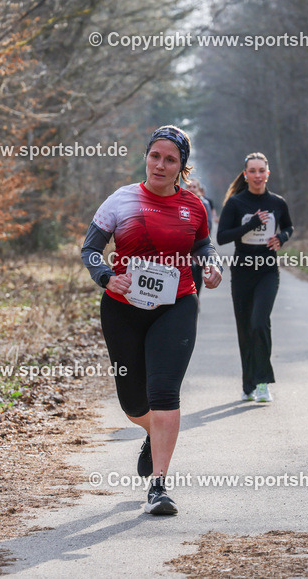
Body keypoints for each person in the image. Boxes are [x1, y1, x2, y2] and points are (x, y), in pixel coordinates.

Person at [81, 125, 222, 515]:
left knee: (164, 392)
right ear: (146, 156)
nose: (160, 165)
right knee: (132, 401)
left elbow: (202, 245)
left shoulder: (194, 207)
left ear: (182, 167)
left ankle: (159, 486)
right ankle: (149, 431)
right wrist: (109, 277)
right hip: (122, 308)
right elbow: (91, 249)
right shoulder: (121, 200)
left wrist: (210, 266)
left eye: (170, 160)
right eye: (155, 156)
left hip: (176, 305)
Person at [216, 153, 293, 403]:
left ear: (267, 174)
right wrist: (251, 225)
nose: (258, 175)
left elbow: (289, 226)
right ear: (246, 174)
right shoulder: (236, 204)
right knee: (245, 328)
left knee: (260, 322)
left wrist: (282, 238)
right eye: (253, 171)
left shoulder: (277, 202)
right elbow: (222, 237)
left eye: (262, 171)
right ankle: (247, 383)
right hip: (242, 272)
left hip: (268, 271)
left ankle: (262, 383)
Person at [186, 179, 216, 293]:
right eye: (189, 187)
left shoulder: (204, 203)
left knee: (197, 271)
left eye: (194, 187)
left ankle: (195, 296)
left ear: (198, 189)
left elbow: (209, 223)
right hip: (185, 244)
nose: (192, 189)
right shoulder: (180, 202)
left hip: (199, 243)